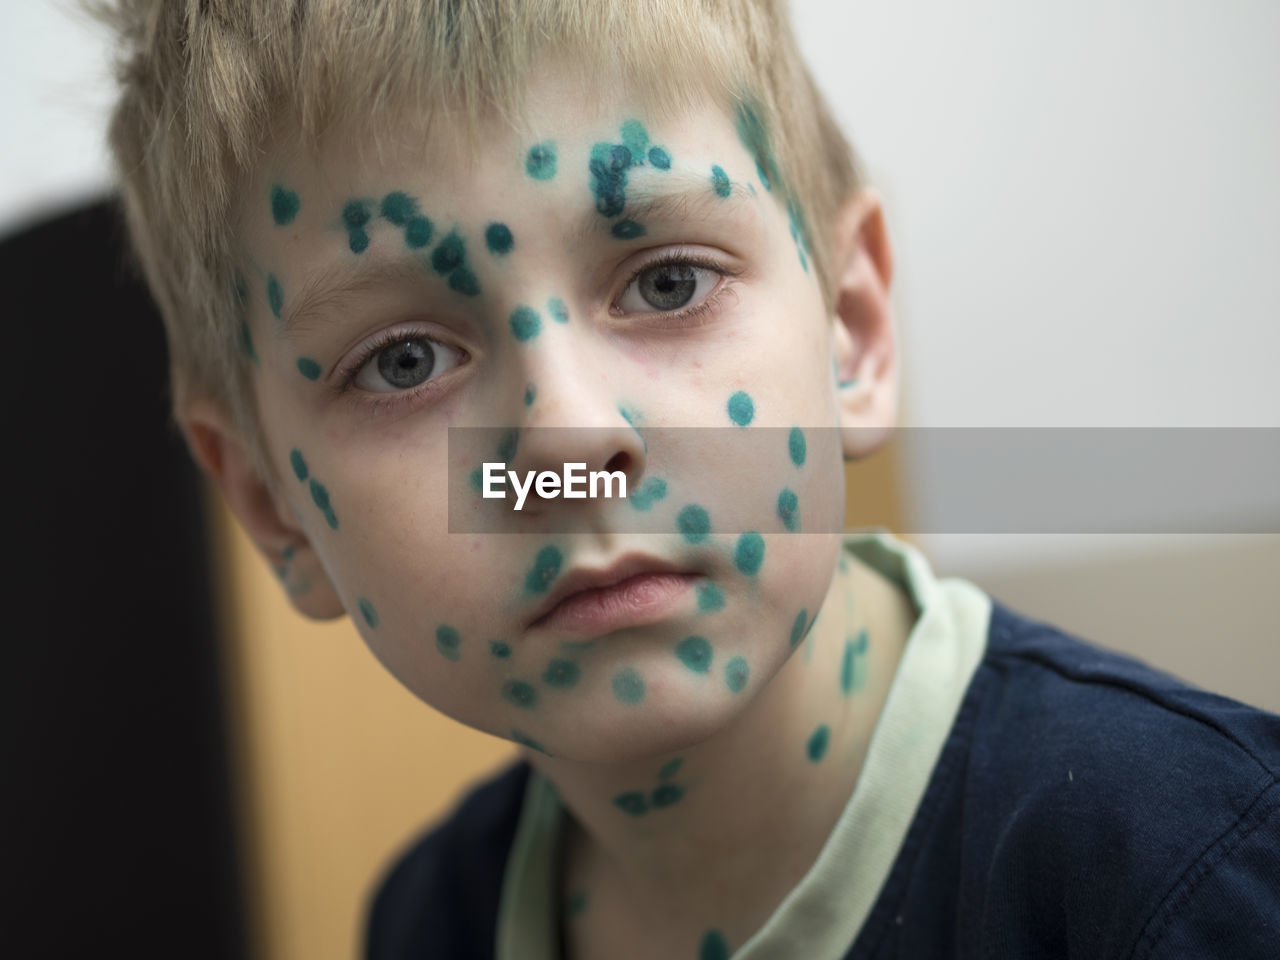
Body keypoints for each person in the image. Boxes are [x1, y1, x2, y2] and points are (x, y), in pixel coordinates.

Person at [98, 1, 1280, 957]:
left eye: (666, 284)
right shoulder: (430, 920)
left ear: (852, 332)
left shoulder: (1188, 873)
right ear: (272, 508)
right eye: (403, 362)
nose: (569, 441)